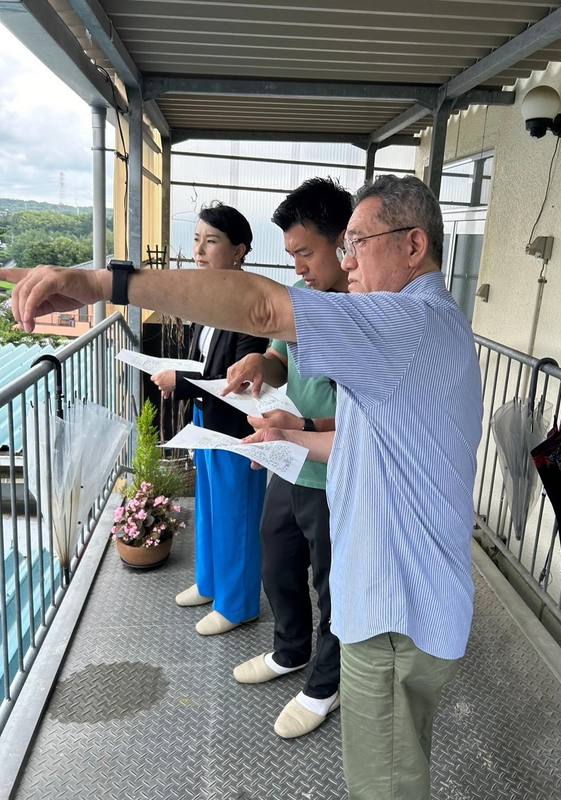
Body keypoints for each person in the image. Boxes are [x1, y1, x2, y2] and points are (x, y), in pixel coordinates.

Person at [2, 174, 483, 800]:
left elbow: (261, 308)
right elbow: (371, 443)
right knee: (396, 761)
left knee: (384, 784)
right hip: (410, 607)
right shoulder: (427, 324)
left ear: (414, 245)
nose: (347, 262)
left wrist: (101, 284)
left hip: (394, 616)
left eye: (358, 244)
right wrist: (294, 435)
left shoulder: (405, 321)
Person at [224, 178, 352, 739]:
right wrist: (260, 363)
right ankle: (290, 649)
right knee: (276, 558)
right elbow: (280, 359)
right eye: (291, 254)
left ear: (344, 242)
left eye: (306, 253)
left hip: (336, 470)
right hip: (290, 457)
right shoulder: (301, 297)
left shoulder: (366, 312)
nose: (298, 266)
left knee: (332, 583)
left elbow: (372, 420)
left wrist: (300, 428)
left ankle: (328, 682)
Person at [151, 203, 268, 636]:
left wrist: (179, 382)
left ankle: (238, 605)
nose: (198, 251)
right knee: (210, 507)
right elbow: (204, 362)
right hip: (206, 417)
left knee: (236, 515)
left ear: (239, 250)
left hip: (237, 429)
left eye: (211, 241)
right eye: (197, 240)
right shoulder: (210, 299)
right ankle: (210, 582)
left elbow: (238, 380)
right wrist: (178, 375)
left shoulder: (251, 305)